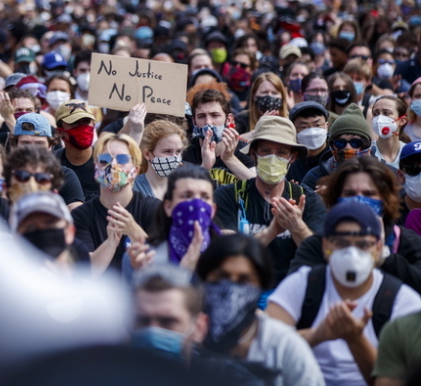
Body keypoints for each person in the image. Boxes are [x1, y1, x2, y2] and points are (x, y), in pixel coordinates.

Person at [268, 203, 421, 386]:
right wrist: (317, 335)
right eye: (341, 243)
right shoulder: (303, 284)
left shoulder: (402, 301)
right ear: (325, 245)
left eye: (363, 244)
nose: (352, 253)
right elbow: (265, 347)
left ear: (378, 248)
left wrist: (355, 339)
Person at [196, 234, 325, 386]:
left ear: (261, 285)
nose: (231, 288)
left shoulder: (284, 344)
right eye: (222, 277)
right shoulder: (185, 334)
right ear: (204, 279)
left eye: (244, 280)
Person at [213, 116, 326, 283]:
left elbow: (320, 256)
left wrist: (297, 226)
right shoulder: (229, 195)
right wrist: (271, 232)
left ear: (292, 158)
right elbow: (225, 254)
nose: (273, 158)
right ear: (253, 154)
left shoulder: (306, 199)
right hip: (242, 286)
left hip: (292, 290)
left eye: (281, 152)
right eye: (266, 151)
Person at [289, 156, 421, 293]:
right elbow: (295, 291)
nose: (358, 200)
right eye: (350, 193)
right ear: (335, 199)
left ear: (385, 198)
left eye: (369, 193)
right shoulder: (318, 244)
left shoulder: (406, 242)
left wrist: (384, 256)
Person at [131, 265, 263, 385]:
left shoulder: (232, 381)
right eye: (142, 320)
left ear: (199, 327)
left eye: (168, 321)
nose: (153, 330)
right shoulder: (113, 375)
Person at [72, 133, 160, 274]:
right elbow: (86, 274)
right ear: (95, 168)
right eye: (104, 159)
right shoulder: (80, 215)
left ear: (135, 170)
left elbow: (163, 265)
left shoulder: (154, 209)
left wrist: (133, 231)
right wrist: (110, 244)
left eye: (122, 159)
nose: (112, 165)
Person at [129, 164, 219, 272]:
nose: (197, 204)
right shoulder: (144, 257)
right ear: (168, 207)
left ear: (213, 209)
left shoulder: (227, 254)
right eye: (186, 195)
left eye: (205, 197)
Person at [181, 87, 255, 185]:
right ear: (194, 121)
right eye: (201, 116)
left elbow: (259, 189)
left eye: (215, 115)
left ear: (229, 120)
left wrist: (229, 158)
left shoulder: (245, 150)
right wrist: (205, 167)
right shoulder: (184, 150)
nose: (208, 122)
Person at [10, 112, 85, 208]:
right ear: (15, 146)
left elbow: (77, 213)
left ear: (50, 146)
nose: (33, 149)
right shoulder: (3, 176)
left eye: (39, 143)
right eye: (26, 143)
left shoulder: (65, 176)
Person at [302, 103, 372, 191]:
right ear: (332, 146)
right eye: (340, 143)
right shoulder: (315, 176)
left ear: (366, 145)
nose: (347, 147)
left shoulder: (383, 174)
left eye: (355, 142)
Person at [11, 192, 89, 268]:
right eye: (31, 227)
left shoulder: (83, 271)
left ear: (70, 231)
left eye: (50, 223)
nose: (42, 232)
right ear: (16, 239)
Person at [53, 99, 99, 202]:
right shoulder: (50, 164)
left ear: (94, 126)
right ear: (59, 132)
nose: (82, 127)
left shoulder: (107, 163)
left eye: (86, 122)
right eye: (74, 123)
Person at [136, 119, 187, 200]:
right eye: (167, 151)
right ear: (147, 154)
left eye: (178, 151)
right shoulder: (133, 189)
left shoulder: (184, 187)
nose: (174, 157)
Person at [289, 101, 332, 185]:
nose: (312, 132)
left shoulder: (336, 155)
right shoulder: (290, 159)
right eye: (304, 127)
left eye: (317, 125)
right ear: (294, 130)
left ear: (326, 126)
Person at [369, 95, 407, 169]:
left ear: (402, 121)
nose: (379, 118)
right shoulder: (367, 152)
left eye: (386, 113)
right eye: (375, 114)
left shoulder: (410, 152)